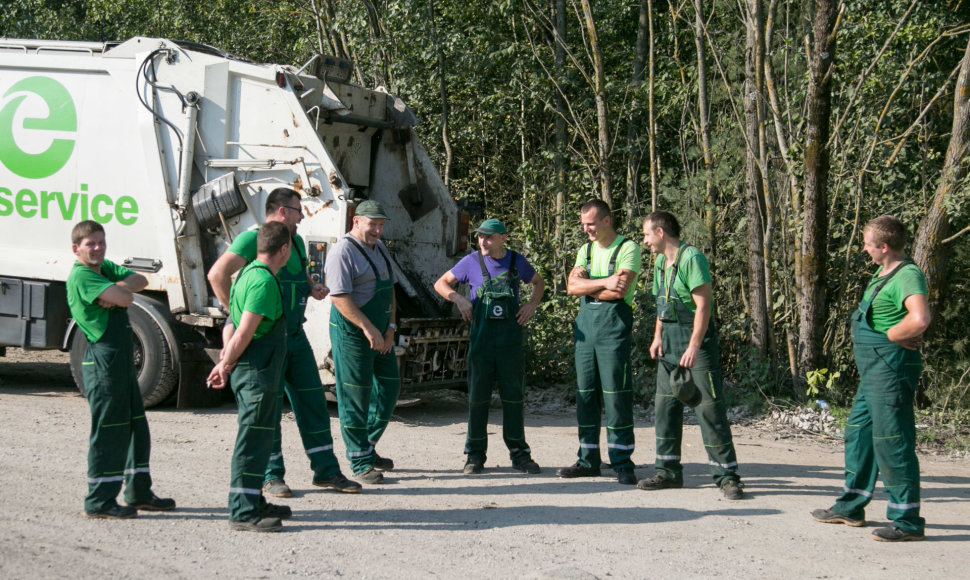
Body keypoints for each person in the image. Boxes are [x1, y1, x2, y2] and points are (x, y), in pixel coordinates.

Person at [208, 187, 360, 496]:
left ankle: (326, 470)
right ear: (281, 211)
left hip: (294, 337)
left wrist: (311, 287)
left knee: (313, 402)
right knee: (269, 406)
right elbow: (217, 275)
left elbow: (298, 275)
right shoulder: (252, 239)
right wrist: (235, 315)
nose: (302, 216)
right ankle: (271, 474)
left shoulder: (297, 243)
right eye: (297, 210)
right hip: (266, 341)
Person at [811, 215, 931, 542]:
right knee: (859, 431)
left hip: (891, 369)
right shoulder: (884, 272)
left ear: (885, 246)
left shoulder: (907, 275)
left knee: (892, 440)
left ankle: (906, 521)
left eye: (868, 244)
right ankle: (851, 505)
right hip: (874, 372)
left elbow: (919, 317)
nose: (864, 249)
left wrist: (894, 333)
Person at [66, 220, 175, 519]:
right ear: (77, 249)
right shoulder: (83, 276)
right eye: (91, 244)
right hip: (102, 363)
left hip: (120, 362)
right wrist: (119, 292)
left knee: (136, 426)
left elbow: (140, 280)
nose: (98, 248)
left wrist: (114, 289)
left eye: (101, 242)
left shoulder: (103, 270)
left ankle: (138, 492)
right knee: (109, 431)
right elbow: (128, 298)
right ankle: (99, 500)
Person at [638, 211, 743, 500]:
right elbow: (663, 302)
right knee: (664, 409)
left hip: (693, 341)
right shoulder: (661, 262)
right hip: (668, 342)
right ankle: (667, 472)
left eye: (647, 234)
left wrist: (694, 346)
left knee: (709, 409)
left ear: (660, 233)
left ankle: (727, 477)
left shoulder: (691, 258)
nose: (644, 241)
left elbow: (703, 305)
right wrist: (657, 336)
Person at [433, 218, 545, 475]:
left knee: (513, 399)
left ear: (503, 238)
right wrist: (458, 298)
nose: (483, 241)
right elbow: (441, 283)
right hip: (482, 342)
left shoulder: (517, 262)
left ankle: (520, 454)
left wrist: (531, 305)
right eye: (480, 236)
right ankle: (474, 456)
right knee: (477, 399)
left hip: (510, 344)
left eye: (489, 237)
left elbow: (538, 283)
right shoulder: (470, 261)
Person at [207, 222, 294, 533]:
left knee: (260, 441)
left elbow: (230, 325)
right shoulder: (262, 283)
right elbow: (242, 333)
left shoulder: (246, 273)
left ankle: (254, 500)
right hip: (257, 375)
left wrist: (226, 362)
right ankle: (243, 512)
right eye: (291, 248)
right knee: (252, 444)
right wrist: (225, 364)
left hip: (261, 373)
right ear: (283, 249)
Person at [558, 200, 641, 485]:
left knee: (616, 396)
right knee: (585, 395)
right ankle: (588, 460)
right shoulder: (586, 249)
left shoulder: (628, 248)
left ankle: (622, 461)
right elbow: (571, 287)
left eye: (591, 224)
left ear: (607, 221)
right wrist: (605, 282)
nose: (586, 229)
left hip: (613, 332)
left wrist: (590, 285)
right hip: (586, 334)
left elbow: (620, 292)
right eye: (583, 224)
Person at [324, 200, 401, 484]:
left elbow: (390, 290)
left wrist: (391, 328)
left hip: (381, 331)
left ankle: (366, 445)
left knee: (390, 386)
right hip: (353, 334)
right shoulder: (342, 251)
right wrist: (369, 328)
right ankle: (359, 461)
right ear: (356, 221)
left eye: (381, 225)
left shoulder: (379, 247)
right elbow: (339, 297)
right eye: (372, 225)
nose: (378, 230)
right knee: (355, 395)